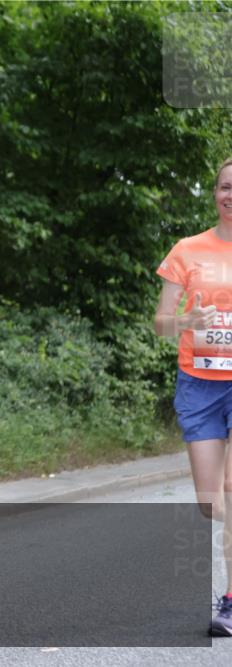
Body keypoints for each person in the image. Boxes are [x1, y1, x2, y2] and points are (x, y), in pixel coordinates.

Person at [154, 157, 232, 636]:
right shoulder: (187, 250)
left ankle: (229, 600)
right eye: (226, 187)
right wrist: (186, 322)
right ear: (215, 193)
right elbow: (161, 322)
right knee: (210, 502)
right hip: (199, 385)